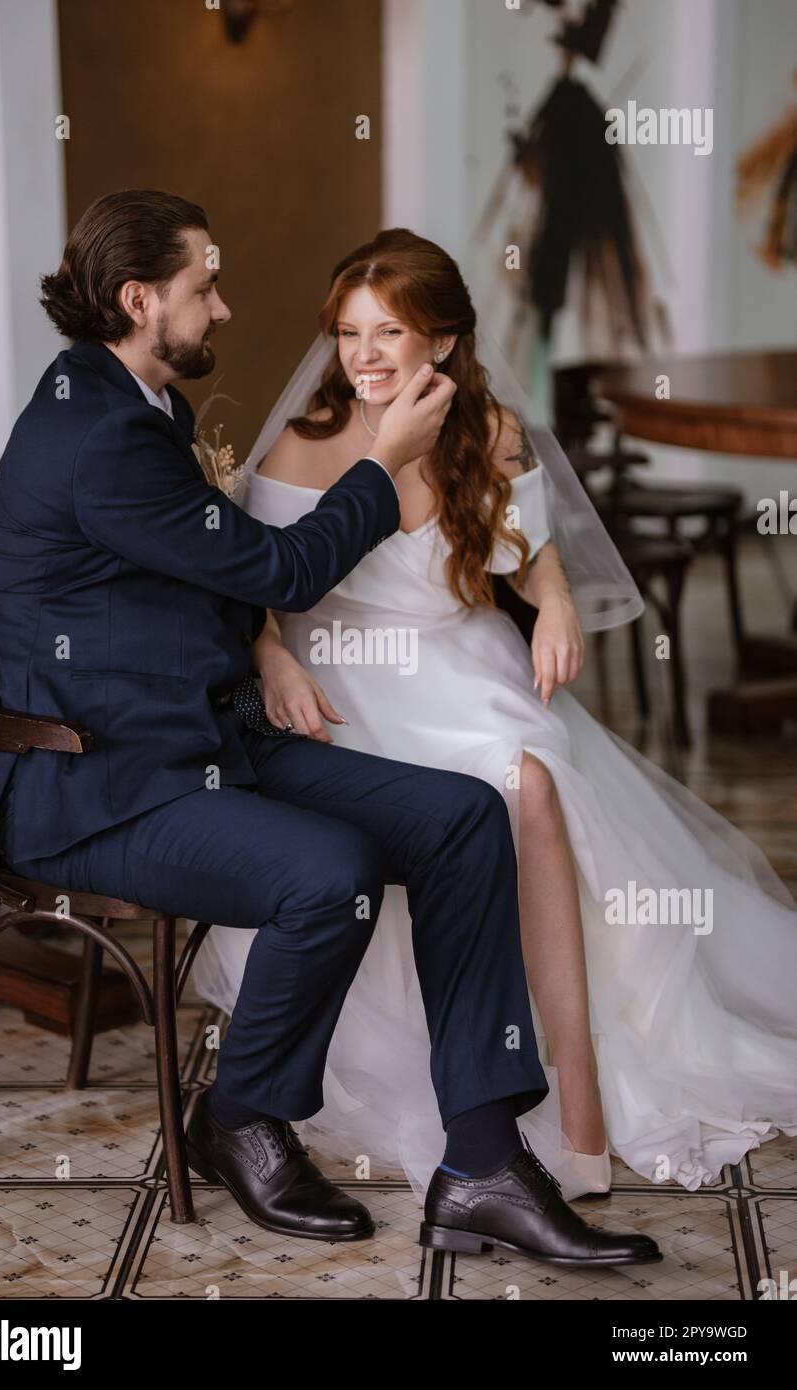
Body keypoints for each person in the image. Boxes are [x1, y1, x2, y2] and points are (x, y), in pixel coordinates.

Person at [0, 190, 661, 1268]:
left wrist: (266, 649)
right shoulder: (101, 433)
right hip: (90, 786)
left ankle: (482, 1162)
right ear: (141, 299)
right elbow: (280, 565)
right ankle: (243, 1115)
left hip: (193, 739)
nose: (224, 309)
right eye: (202, 286)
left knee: (466, 817)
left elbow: (214, 577)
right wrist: (380, 462)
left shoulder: (136, 404)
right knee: (333, 873)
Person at [191, 226, 797, 1205]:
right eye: (349, 333)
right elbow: (252, 591)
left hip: (464, 663)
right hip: (344, 679)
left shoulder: (491, 433)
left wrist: (554, 600)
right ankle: (479, 1099)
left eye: (390, 331)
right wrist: (269, 657)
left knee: (535, 786)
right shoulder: (307, 442)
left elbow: (534, 551)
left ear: (443, 339)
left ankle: (582, 1094)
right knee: (461, 804)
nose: (366, 354)